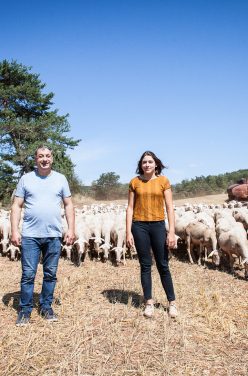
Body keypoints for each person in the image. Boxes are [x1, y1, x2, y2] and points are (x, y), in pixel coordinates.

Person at [11, 145, 75, 326]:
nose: (44, 159)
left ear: (52, 158)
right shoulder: (26, 179)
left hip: (53, 235)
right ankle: (25, 310)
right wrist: (15, 230)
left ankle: (46, 306)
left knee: (50, 273)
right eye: (41, 156)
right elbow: (17, 205)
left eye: (47, 156)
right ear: (36, 159)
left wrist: (70, 229)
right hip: (30, 235)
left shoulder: (61, 179)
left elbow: (69, 205)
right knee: (28, 274)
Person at [126, 151, 178, 318]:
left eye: (150, 162)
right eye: (144, 162)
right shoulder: (135, 182)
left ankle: (172, 303)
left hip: (158, 225)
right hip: (139, 226)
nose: (147, 164)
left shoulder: (163, 181)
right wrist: (128, 232)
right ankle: (148, 302)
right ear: (140, 165)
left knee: (163, 265)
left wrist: (171, 232)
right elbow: (130, 208)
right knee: (145, 265)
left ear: (156, 164)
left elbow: (170, 207)